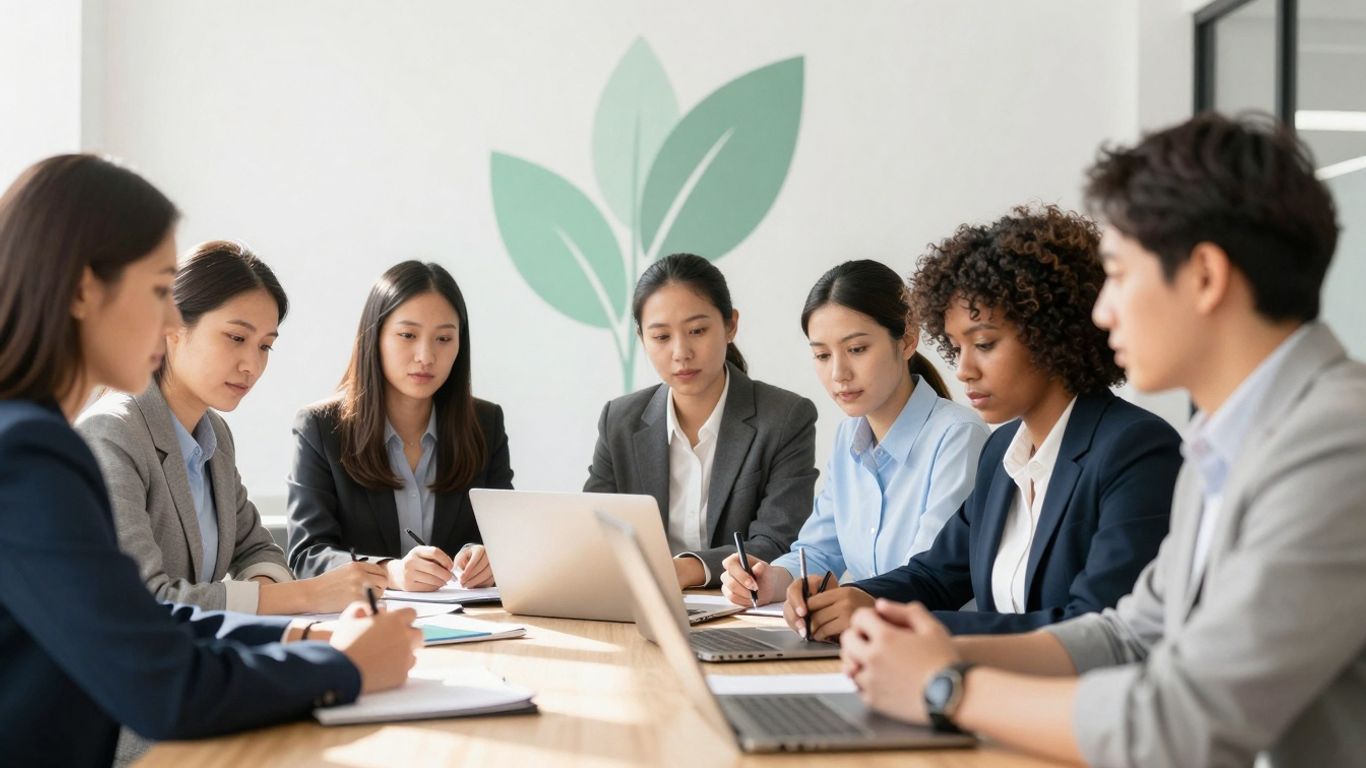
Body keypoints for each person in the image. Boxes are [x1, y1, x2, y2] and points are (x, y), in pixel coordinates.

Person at [840, 113, 1366, 767]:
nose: (1101, 310)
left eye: (1118, 274)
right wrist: (928, 654)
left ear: (1205, 276)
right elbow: (1129, 635)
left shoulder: (1339, 445)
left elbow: (1182, 724)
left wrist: (946, 687)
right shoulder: (1223, 441)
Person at [0, 154, 419, 768]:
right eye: (158, 290)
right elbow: (159, 680)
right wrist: (341, 665)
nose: (173, 318)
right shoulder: (29, 454)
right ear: (84, 289)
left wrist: (309, 634)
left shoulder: (33, 440)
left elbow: (145, 620)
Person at [788, 205, 1182, 640]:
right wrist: (856, 598)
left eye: (984, 344)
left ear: (1050, 332)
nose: (963, 370)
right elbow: (936, 575)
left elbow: (1095, 628)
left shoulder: (1136, 450)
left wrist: (906, 625)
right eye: (957, 347)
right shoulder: (1003, 450)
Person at [77, 241, 384, 614]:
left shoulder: (214, 435)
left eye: (264, 346)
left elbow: (257, 549)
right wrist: (303, 596)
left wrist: (265, 596)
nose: (251, 365)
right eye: (237, 338)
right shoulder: (112, 433)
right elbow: (143, 599)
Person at [718, 260, 988, 607]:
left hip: (935, 634)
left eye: (857, 349)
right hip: (866, 632)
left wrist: (850, 599)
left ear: (907, 340)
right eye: (822, 355)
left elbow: (928, 578)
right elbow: (818, 551)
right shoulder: (849, 437)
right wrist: (766, 580)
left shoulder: (958, 436)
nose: (838, 373)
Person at [585, 253, 818, 588]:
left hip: (739, 607)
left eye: (697, 330)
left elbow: (778, 541)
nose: (681, 352)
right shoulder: (620, 420)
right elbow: (594, 531)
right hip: (641, 602)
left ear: (730, 325)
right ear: (642, 339)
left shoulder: (784, 417)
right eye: (661, 337)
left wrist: (684, 570)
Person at [288, 260, 513, 591]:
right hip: (366, 616)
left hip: (469, 618)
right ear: (375, 336)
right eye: (408, 335)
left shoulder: (485, 424)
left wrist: (488, 557)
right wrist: (388, 572)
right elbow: (307, 555)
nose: (426, 356)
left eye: (444, 338)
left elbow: (506, 537)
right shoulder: (321, 428)